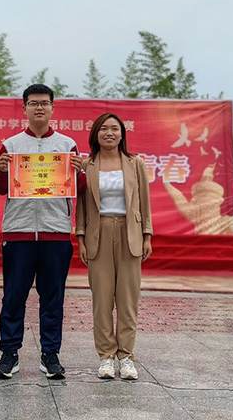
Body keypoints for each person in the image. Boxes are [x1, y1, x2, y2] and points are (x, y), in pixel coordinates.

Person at [0, 84, 85, 380]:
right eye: (33, 103)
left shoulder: (67, 145)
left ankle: (50, 354)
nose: (39, 107)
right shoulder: (12, 145)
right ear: (25, 109)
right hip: (18, 233)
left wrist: (79, 171)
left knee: (53, 298)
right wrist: (1, 170)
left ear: (53, 108)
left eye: (45, 103)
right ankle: (9, 353)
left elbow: (79, 188)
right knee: (13, 296)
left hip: (55, 233)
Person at [75, 113, 153, 380]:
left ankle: (126, 356)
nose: (109, 133)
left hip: (130, 232)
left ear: (122, 134)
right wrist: (81, 238)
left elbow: (144, 201)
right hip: (98, 234)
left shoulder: (135, 163)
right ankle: (106, 356)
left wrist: (147, 235)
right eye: (104, 129)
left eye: (115, 129)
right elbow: (82, 205)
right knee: (102, 300)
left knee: (128, 300)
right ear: (95, 134)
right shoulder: (87, 165)